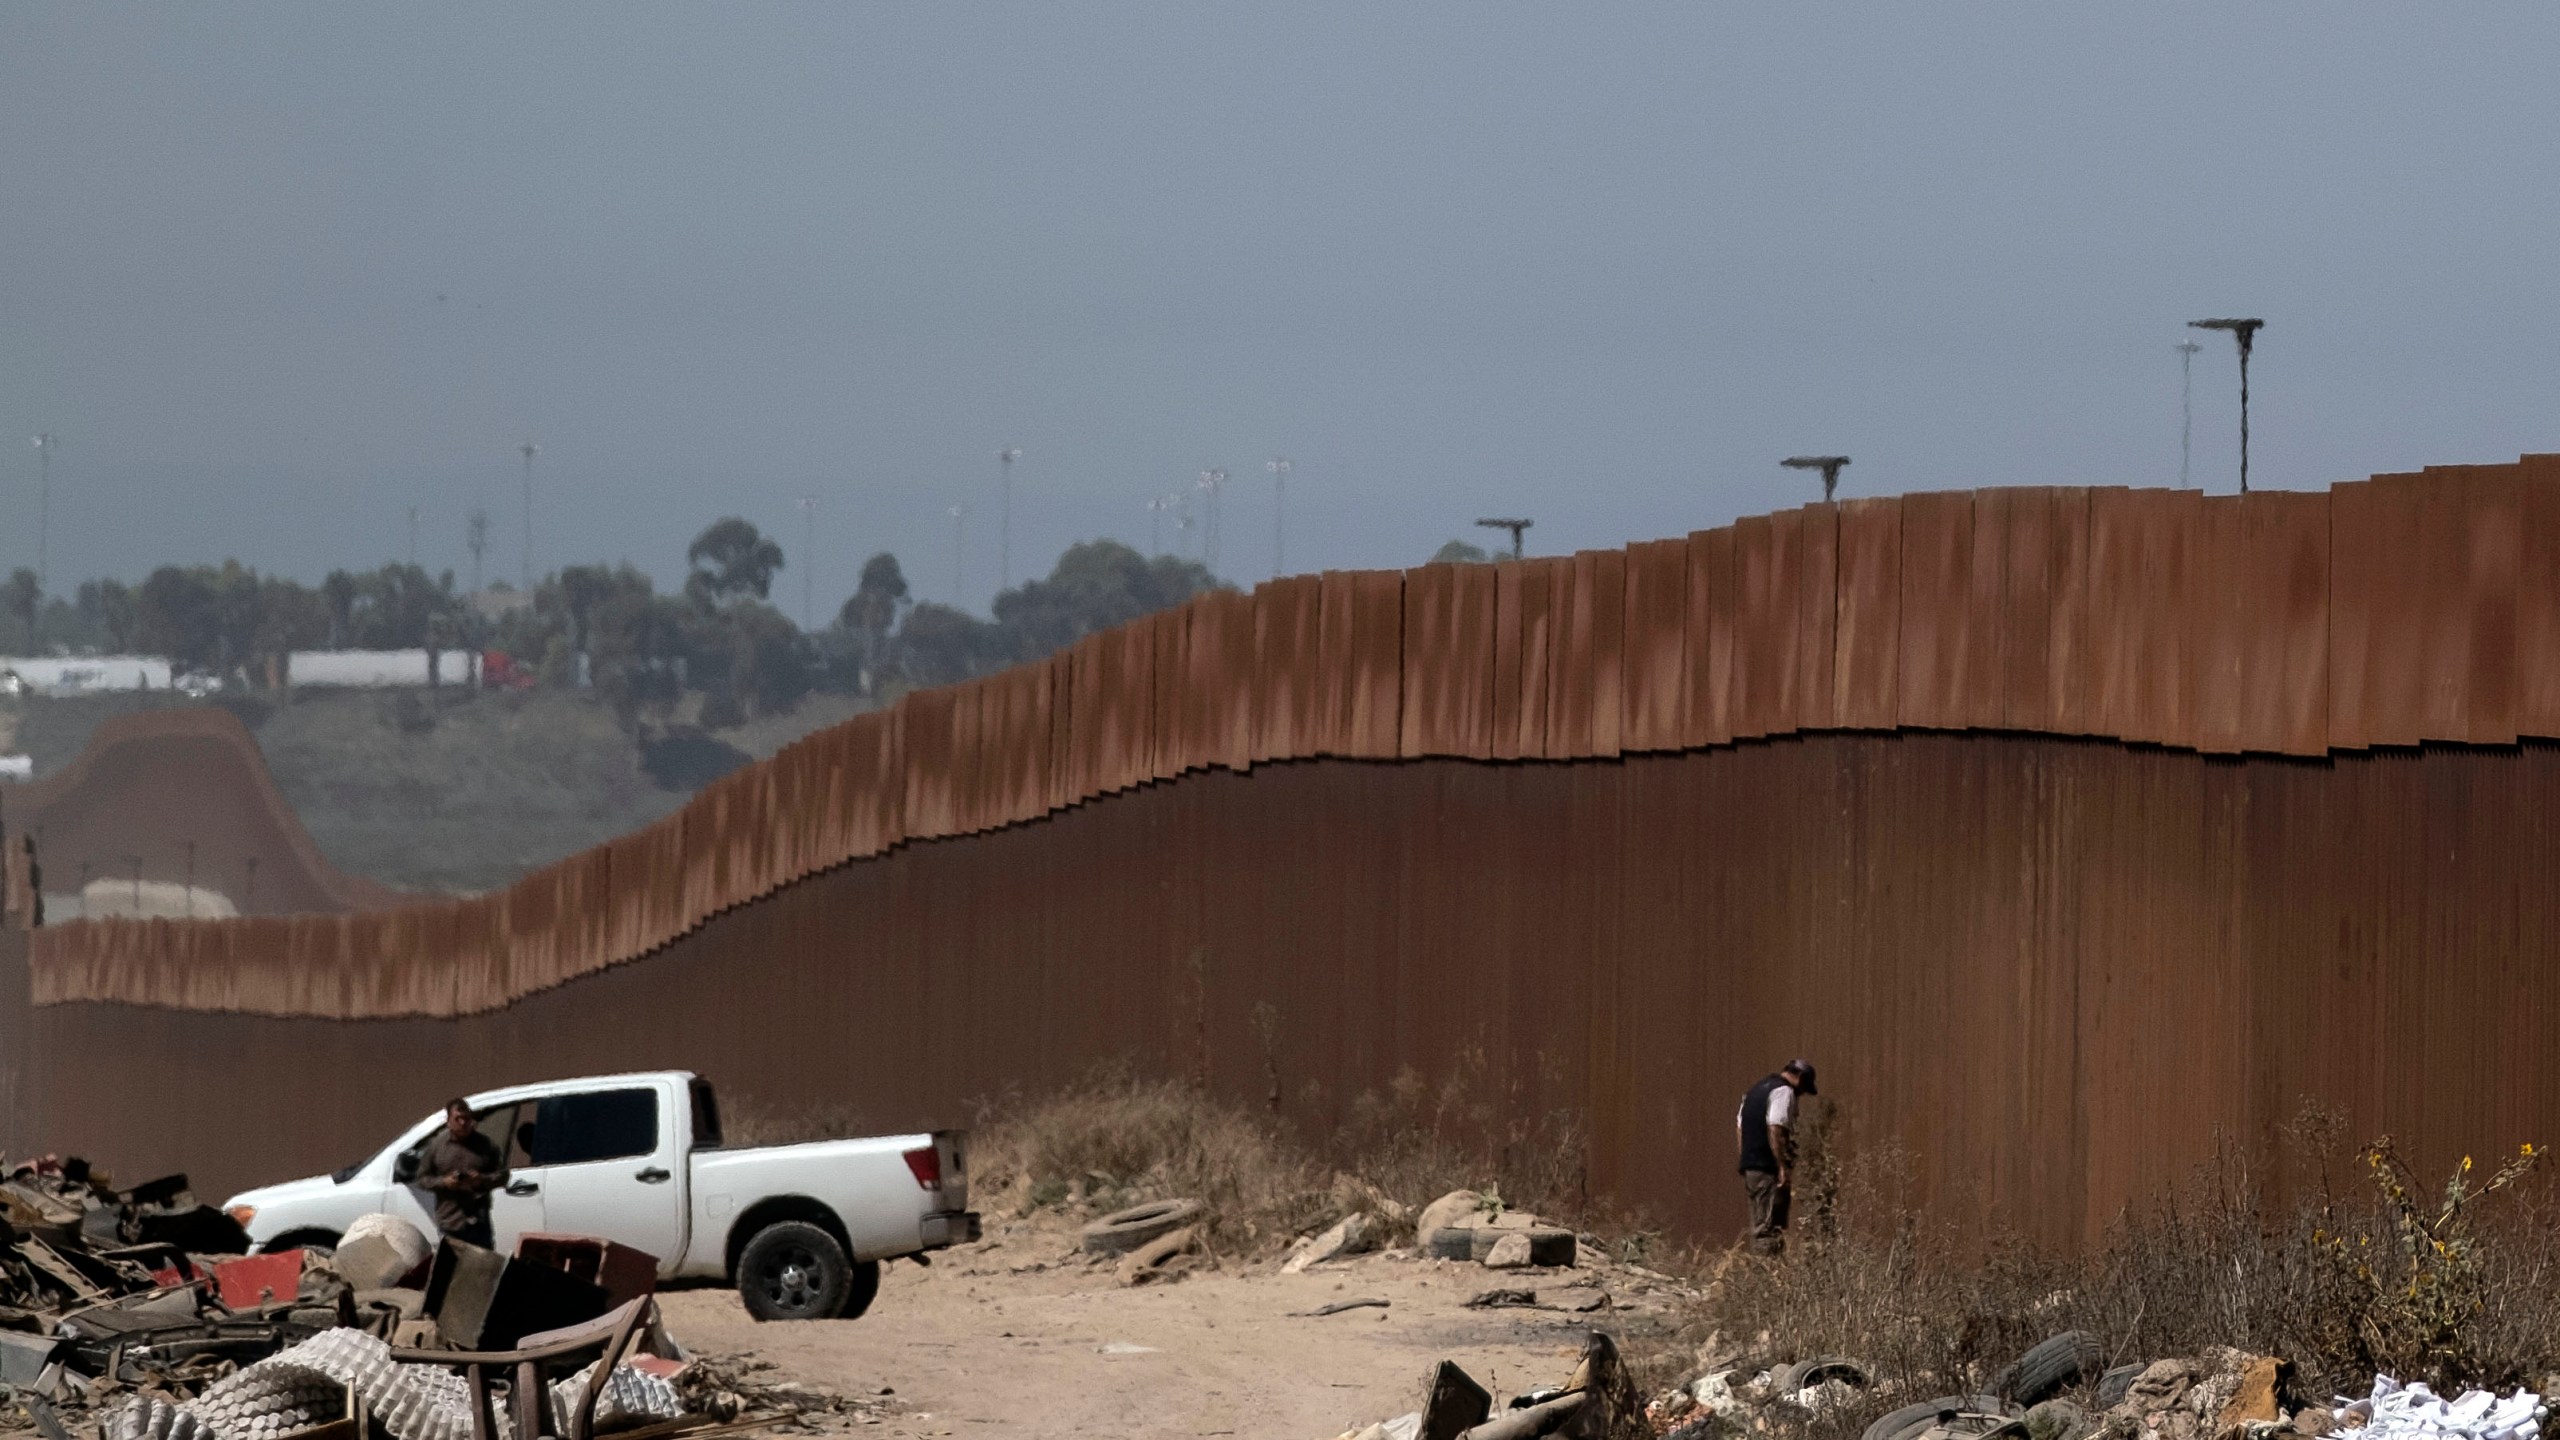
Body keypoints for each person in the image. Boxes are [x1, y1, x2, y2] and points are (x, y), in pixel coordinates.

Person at [1736, 1059, 1815, 1255]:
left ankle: (1764, 1276)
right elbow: (1775, 1127)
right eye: (1804, 1088)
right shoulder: (1783, 1091)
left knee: (1760, 1224)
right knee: (1770, 1229)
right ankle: (1767, 1278)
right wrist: (1782, 1166)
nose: (1801, 1094)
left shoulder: (1755, 1091)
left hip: (1752, 1167)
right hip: (1767, 1168)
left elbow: (1739, 1127)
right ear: (1800, 1078)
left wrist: (1746, 1158)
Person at [420, 1098, 507, 1248]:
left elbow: (503, 1176)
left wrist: (481, 1180)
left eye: (466, 1118)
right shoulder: (436, 1146)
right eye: (457, 1119)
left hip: (479, 1220)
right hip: (450, 1220)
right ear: (448, 1121)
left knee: (483, 1267)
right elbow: (422, 1179)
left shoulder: (486, 1145)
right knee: (452, 1267)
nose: (462, 1123)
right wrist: (444, 1182)